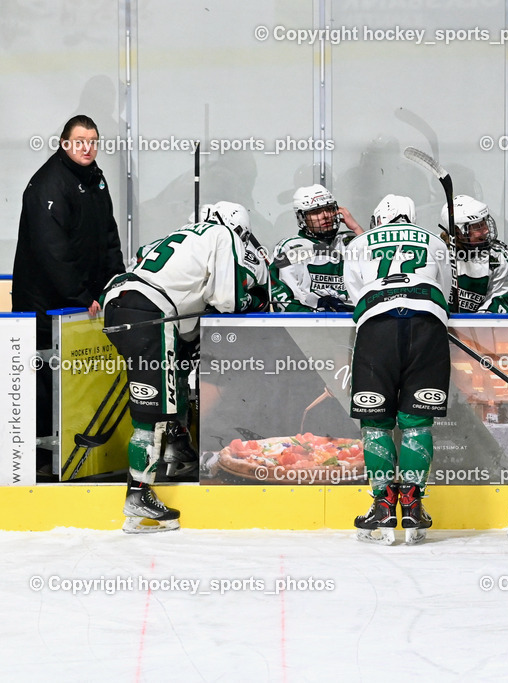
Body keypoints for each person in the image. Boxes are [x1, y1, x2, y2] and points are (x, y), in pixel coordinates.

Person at [101, 202, 267, 533]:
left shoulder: (183, 233)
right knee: (149, 415)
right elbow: (228, 300)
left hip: (119, 302)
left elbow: (156, 269)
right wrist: (254, 299)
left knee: (171, 375)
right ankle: (138, 494)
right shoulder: (222, 234)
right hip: (151, 311)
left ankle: (176, 449)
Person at [13, 115, 126, 473]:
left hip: (85, 302)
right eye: (80, 141)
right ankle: (43, 459)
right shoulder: (49, 184)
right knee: (47, 377)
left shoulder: (95, 178)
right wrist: (81, 295)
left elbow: (109, 235)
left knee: (82, 377)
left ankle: (83, 456)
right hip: (47, 305)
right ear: (64, 144)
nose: (87, 147)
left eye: (93, 141)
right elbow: (53, 252)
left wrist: (116, 283)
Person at [343, 194, 452, 545]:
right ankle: (413, 505)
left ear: (377, 220)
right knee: (417, 420)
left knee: (376, 421)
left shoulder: (359, 243)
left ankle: (383, 504)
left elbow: (356, 294)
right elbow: (445, 292)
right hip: (427, 325)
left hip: (377, 326)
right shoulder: (434, 241)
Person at [270, 184, 362, 312]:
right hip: (311, 320)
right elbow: (283, 298)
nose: (325, 216)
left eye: (329, 209)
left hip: (353, 318)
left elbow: (377, 267)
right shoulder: (290, 248)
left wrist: (357, 228)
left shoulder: (350, 240)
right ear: (302, 217)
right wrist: (310, 318)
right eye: (315, 212)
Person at [444, 195, 508, 313]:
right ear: (458, 232)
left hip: (480, 324)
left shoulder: (499, 257)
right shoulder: (437, 252)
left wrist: (469, 323)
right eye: (477, 227)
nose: (486, 230)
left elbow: (500, 300)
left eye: (484, 223)